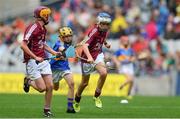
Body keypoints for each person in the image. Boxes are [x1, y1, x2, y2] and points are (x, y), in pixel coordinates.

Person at [21, 6, 60, 117]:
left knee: (50, 86)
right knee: (42, 88)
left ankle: (47, 110)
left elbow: (42, 44)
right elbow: (23, 45)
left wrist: (54, 53)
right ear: (41, 16)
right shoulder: (32, 27)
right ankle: (28, 81)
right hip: (32, 61)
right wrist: (35, 57)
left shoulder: (43, 29)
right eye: (46, 15)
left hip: (43, 60)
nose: (48, 17)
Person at [73, 12, 111, 112]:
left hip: (98, 55)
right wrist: (89, 57)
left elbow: (102, 38)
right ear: (98, 23)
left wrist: (106, 43)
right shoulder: (94, 31)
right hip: (87, 58)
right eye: (103, 24)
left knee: (104, 73)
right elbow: (85, 45)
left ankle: (96, 96)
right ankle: (76, 100)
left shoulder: (104, 31)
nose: (105, 26)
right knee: (84, 83)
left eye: (107, 24)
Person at [49, 27, 76, 113]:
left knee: (71, 84)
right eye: (66, 36)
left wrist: (74, 52)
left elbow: (71, 54)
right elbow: (62, 49)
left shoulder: (69, 45)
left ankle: (70, 107)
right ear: (61, 37)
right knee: (55, 88)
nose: (68, 38)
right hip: (54, 69)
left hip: (64, 68)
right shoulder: (58, 44)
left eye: (70, 36)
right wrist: (67, 51)